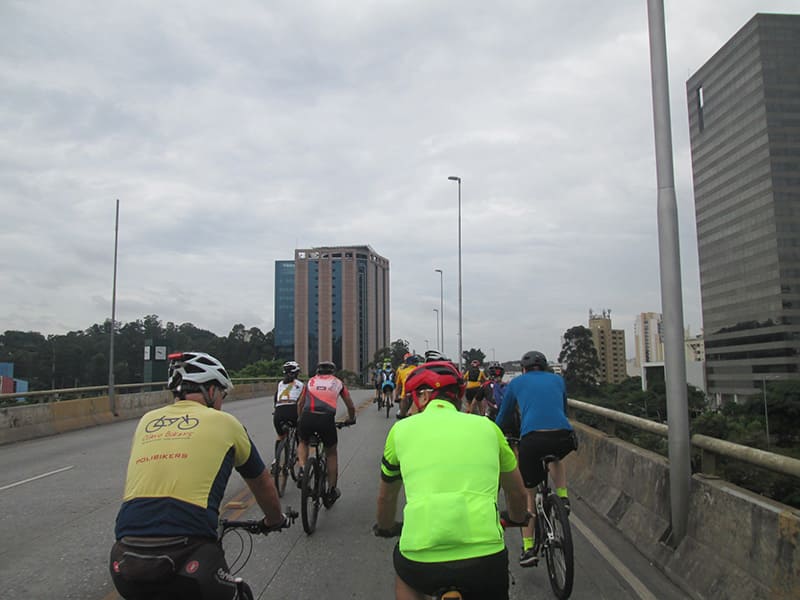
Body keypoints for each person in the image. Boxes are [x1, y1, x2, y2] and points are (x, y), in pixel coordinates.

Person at [109, 351, 291, 600]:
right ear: (212, 391)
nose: (222, 402)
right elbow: (261, 482)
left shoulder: (146, 421)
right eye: (222, 395)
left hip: (124, 561)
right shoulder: (226, 423)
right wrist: (274, 520)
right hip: (189, 556)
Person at [374, 361, 528, 600]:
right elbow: (517, 492)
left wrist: (386, 527)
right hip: (485, 559)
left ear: (423, 396)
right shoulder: (488, 428)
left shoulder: (400, 430)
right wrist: (517, 517)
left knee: (406, 580)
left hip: (420, 561)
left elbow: (386, 497)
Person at [494, 350, 577, 567]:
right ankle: (563, 496)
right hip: (563, 435)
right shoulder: (557, 380)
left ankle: (528, 547)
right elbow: (563, 408)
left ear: (523, 369)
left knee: (528, 493)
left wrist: (494, 431)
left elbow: (504, 414)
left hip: (532, 439)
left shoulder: (516, 383)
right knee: (555, 457)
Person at [296, 360, 356, 506]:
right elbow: (350, 404)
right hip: (326, 419)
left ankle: (302, 469)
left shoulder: (310, 382)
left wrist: (300, 419)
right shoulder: (338, 383)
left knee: (303, 441)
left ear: (318, 371)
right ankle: (331, 490)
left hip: (307, 417)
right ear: (333, 372)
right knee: (331, 453)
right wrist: (351, 418)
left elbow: (300, 403)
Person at [273, 360, 305, 458]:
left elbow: (276, 399)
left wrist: (275, 410)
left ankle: (276, 460)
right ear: (297, 373)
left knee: (280, 436)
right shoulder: (301, 385)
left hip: (278, 413)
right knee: (300, 436)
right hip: (292, 412)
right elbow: (302, 402)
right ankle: (300, 459)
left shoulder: (280, 384)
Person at [394, 352, 421, 419]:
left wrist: (396, 397)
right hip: (417, 397)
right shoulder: (420, 370)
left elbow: (398, 385)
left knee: (401, 416)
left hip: (405, 395)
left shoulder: (401, 369)